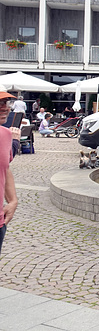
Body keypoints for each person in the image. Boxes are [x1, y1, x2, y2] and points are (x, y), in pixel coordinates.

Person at [0, 85, 19, 254]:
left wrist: (13, 201)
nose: (5, 108)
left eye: (6, 102)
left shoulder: (5, 134)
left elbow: (4, 168)